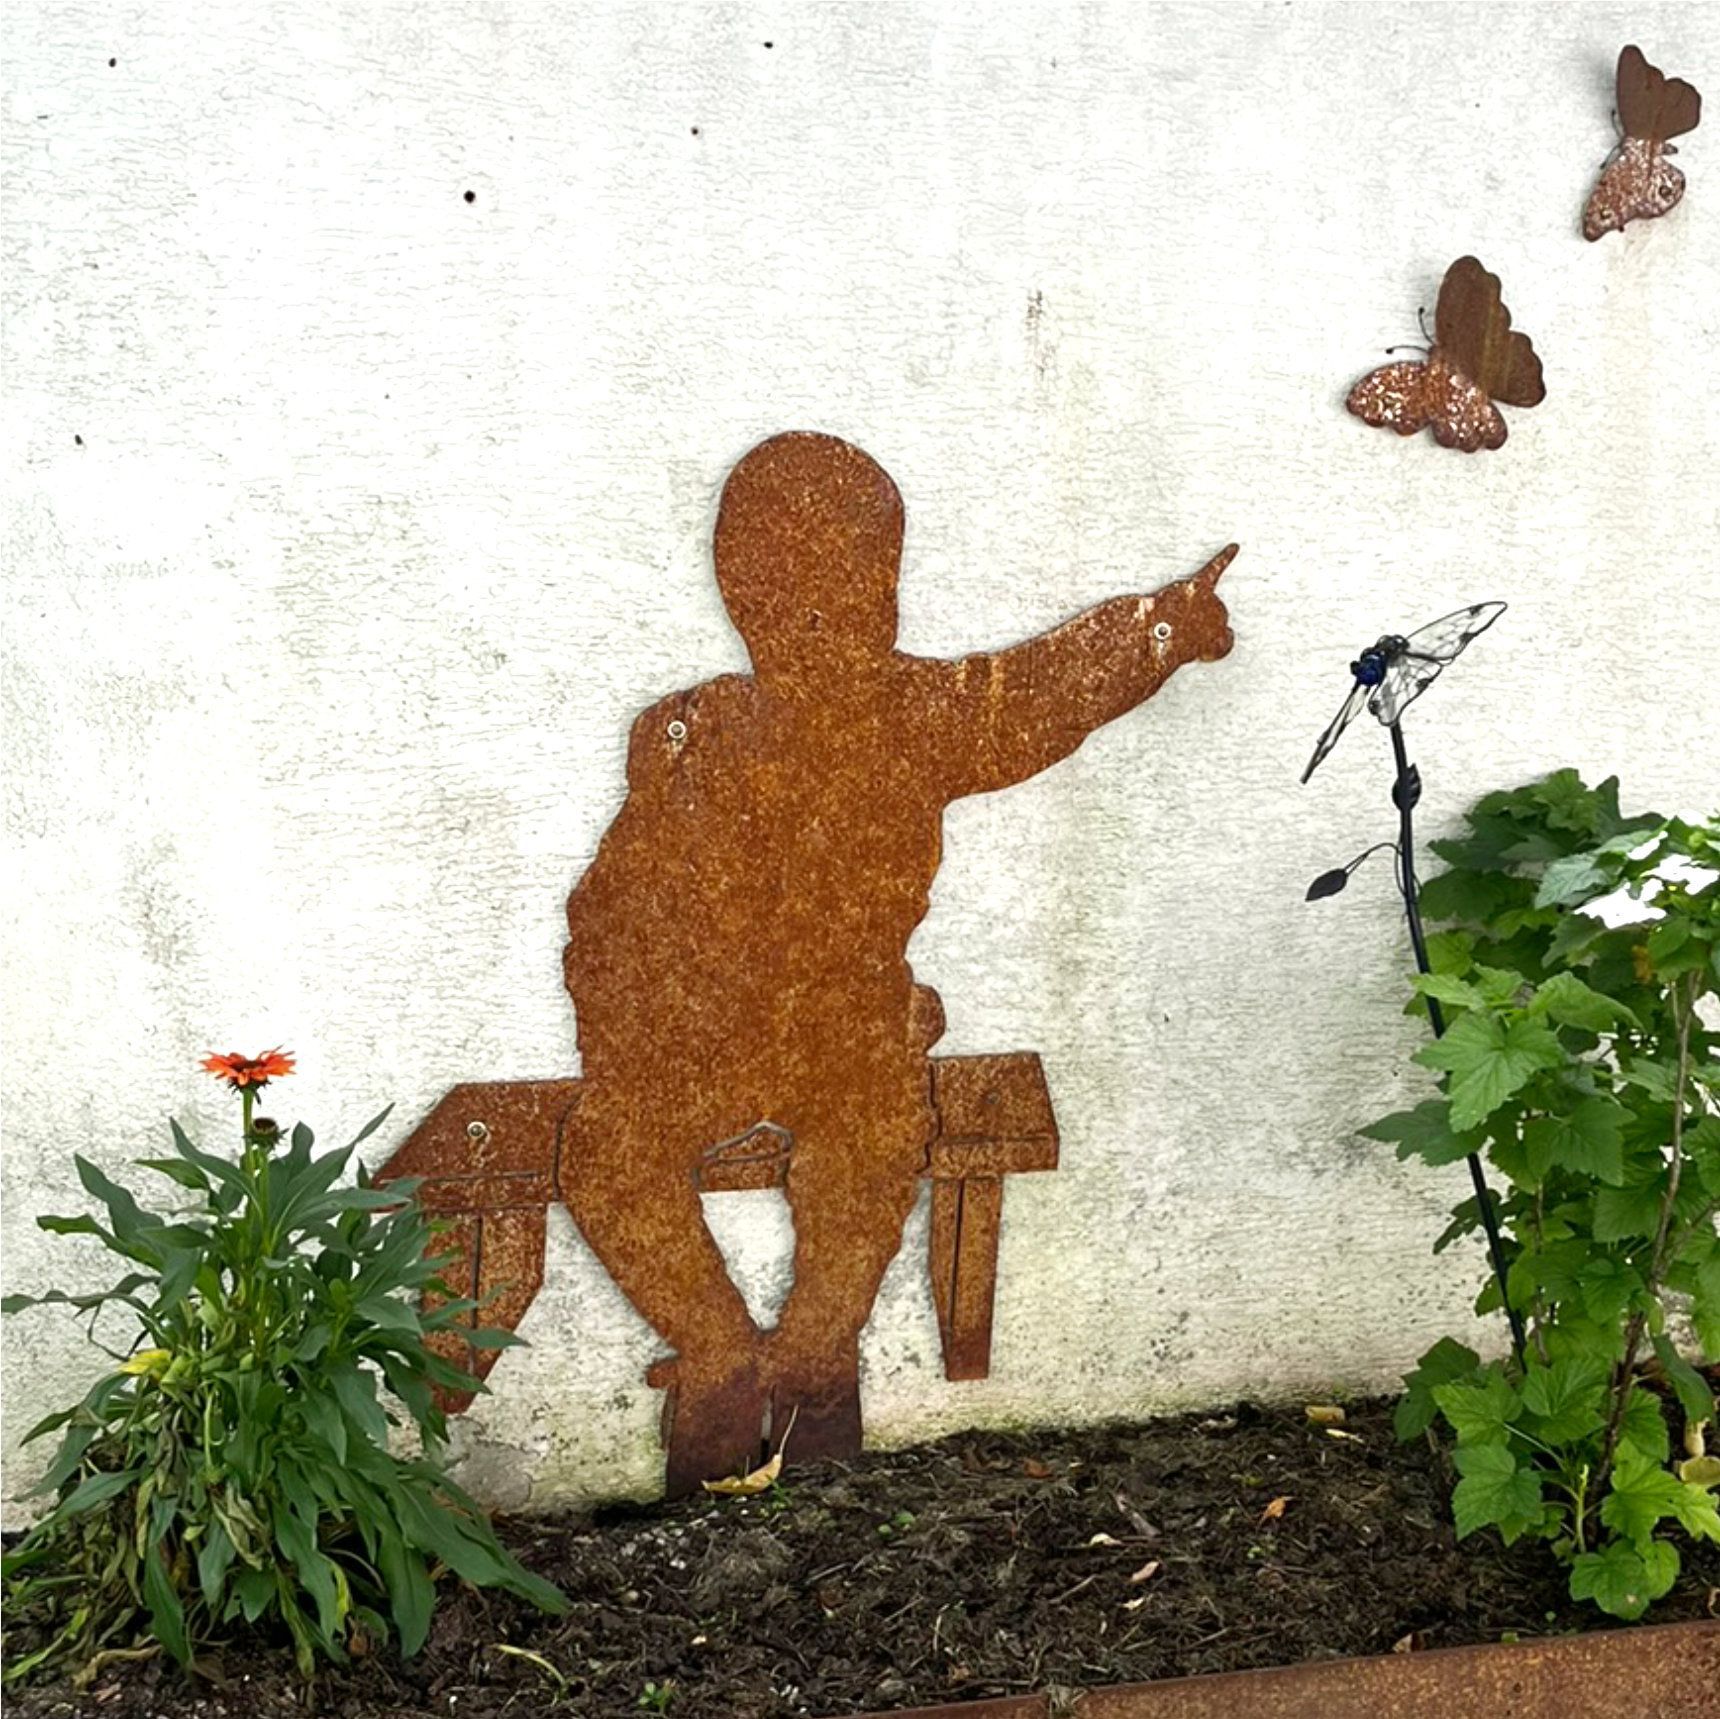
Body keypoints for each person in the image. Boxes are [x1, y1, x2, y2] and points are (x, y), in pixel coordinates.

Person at [559, 430, 1236, 1491]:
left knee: (873, 1135)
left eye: (872, 582)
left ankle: (819, 1355)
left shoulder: (908, 712)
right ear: (749, 600)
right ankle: (720, 1352)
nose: (858, 613)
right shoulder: (695, 734)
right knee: (606, 1149)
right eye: (814, 593)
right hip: (705, 1034)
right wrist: (638, 1028)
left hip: (847, 1027)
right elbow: (609, 915)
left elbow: (1037, 692)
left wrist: (1163, 624)